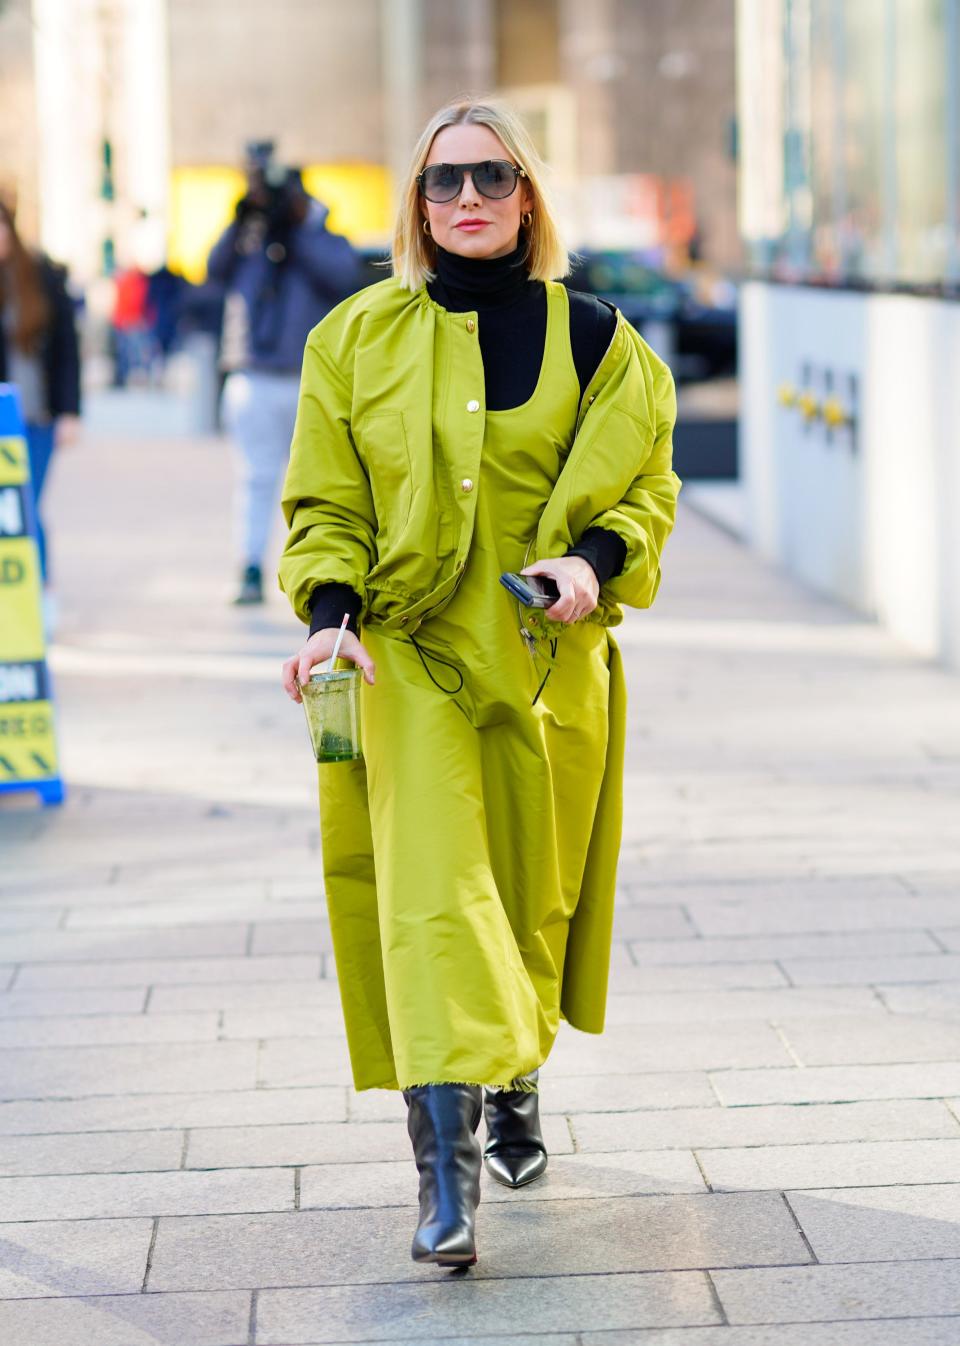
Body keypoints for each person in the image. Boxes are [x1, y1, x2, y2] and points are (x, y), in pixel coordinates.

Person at [279, 99, 681, 1267]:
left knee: (523, 895)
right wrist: (329, 617)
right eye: (445, 181)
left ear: (527, 196)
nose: (467, 200)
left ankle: (517, 1076)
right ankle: (443, 1181)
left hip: (548, 663)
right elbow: (326, 502)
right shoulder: (352, 339)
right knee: (432, 895)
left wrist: (592, 561)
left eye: (492, 178)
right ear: (416, 202)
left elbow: (647, 488)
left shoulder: (601, 336)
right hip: (404, 655)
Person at [207, 142, 364, 605]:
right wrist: (240, 219)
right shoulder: (250, 238)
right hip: (253, 373)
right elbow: (213, 269)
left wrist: (297, 230)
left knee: (322, 483)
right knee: (255, 478)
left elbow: (343, 276)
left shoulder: (317, 237)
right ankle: (251, 567)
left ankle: (322, 577)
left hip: (309, 380)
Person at [0, 200, 81, 593]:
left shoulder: (40, 276)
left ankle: (39, 591)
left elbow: (67, 347)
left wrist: (70, 411)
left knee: (27, 503)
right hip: (3, 416)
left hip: (36, 415)